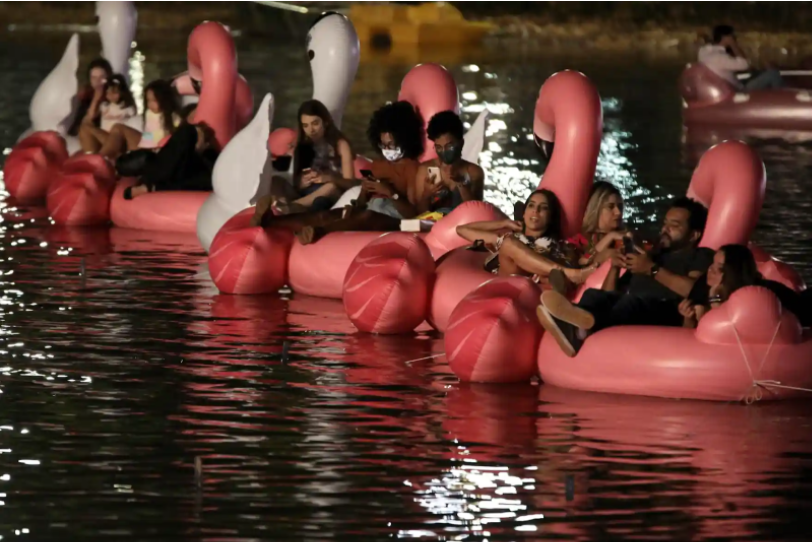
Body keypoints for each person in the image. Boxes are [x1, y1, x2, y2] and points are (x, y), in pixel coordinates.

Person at [537, 197, 715, 357]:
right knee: (595, 295)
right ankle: (573, 323)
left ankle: (579, 330)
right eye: (665, 223)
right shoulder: (652, 256)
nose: (664, 229)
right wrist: (615, 267)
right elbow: (610, 293)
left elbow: (695, 289)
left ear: (694, 235)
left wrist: (652, 270)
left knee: (630, 303)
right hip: (633, 308)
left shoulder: (701, 255)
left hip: (668, 310)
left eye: (674, 225)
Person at [287, 101, 425, 244]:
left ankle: (319, 232)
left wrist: (391, 192)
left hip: (391, 219)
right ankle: (274, 221)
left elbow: (414, 214)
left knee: (367, 216)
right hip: (368, 211)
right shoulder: (378, 165)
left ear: (405, 140)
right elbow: (361, 203)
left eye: (391, 145)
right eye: (382, 145)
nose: (387, 149)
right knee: (331, 214)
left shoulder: (412, 169)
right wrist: (365, 192)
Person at [456, 189, 590, 288]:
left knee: (550, 278)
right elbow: (462, 230)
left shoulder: (560, 245)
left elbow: (574, 259)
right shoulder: (512, 238)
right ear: (524, 213)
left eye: (543, 208)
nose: (535, 211)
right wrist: (504, 223)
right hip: (509, 278)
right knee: (507, 242)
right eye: (531, 205)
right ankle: (570, 274)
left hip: (536, 288)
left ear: (551, 217)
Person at [680, 244, 811, 328]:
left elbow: (732, 333)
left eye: (719, 267)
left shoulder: (758, 294)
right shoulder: (703, 285)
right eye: (712, 264)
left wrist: (715, 299)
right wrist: (688, 319)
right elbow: (689, 337)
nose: (710, 270)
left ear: (734, 272)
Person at [270, 100, 356, 214]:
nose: (311, 130)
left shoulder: (340, 144)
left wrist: (329, 178)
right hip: (306, 194)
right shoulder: (302, 146)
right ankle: (281, 205)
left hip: (330, 194)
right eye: (305, 126)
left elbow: (351, 183)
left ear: (325, 122)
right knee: (276, 181)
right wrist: (302, 182)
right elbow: (297, 184)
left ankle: (290, 208)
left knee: (330, 187)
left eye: (315, 123)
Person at [122, 115, 218, 199]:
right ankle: (151, 185)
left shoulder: (208, 156)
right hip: (163, 168)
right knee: (188, 131)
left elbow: (211, 180)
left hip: (170, 176)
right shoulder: (183, 136)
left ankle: (151, 185)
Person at [414, 111, 485, 215]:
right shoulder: (425, 170)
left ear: (461, 143)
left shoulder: (473, 172)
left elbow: (477, 213)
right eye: (438, 147)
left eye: (449, 146)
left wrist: (461, 184)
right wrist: (427, 194)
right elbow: (419, 214)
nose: (444, 151)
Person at [98, 79, 181, 160]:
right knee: (117, 130)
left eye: (154, 100)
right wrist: (145, 139)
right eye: (148, 100)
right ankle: (101, 158)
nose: (150, 104)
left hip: (157, 151)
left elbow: (175, 137)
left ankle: (100, 159)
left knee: (118, 128)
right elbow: (149, 133)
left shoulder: (173, 116)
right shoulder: (149, 113)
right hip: (145, 145)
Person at [698, 24, 783, 91]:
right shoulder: (720, 57)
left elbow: (745, 67)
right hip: (738, 90)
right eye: (732, 36)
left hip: (729, 85)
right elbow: (745, 65)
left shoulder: (703, 51)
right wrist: (733, 45)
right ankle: (781, 101)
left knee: (759, 72)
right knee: (773, 73)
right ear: (726, 38)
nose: (735, 38)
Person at [568, 181, 626, 267]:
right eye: (610, 206)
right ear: (596, 208)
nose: (618, 212)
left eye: (620, 207)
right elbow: (583, 262)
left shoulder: (625, 238)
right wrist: (610, 237)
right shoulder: (579, 241)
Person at [78, 74, 137, 153]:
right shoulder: (105, 106)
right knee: (85, 126)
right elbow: (90, 116)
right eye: (108, 92)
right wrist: (96, 98)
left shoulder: (128, 108)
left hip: (118, 141)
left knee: (115, 129)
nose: (111, 95)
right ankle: (90, 154)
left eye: (114, 92)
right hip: (103, 138)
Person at [67, 58, 114, 137]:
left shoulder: (113, 96)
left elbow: (91, 118)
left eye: (102, 77)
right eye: (94, 78)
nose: (98, 81)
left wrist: (97, 97)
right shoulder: (86, 95)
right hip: (79, 136)